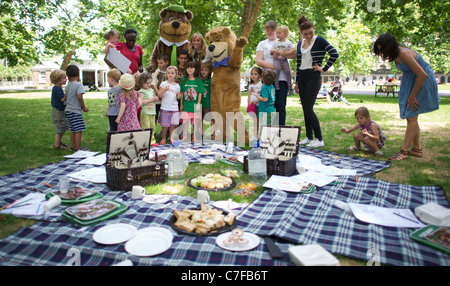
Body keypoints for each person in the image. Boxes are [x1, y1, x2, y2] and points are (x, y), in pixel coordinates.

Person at [373, 33, 440, 160]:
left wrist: (413, 96)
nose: (382, 53)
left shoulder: (404, 53)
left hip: (421, 82)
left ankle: (403, 151)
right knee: (411, 116)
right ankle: (416, 149)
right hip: (411, 81)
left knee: (411, 117)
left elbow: (422, 74)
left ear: (389, 46)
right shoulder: (397, 54)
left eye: (382, 49)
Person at [293, 16, 339, 148]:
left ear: (314, 30)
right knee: (304, 108)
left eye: (310, 33)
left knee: (308, 107)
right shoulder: (299, 44)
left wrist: (323, 68)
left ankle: (319, 138)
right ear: (301, 33)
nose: (308, 36)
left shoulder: (319, 40)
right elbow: (298, 63)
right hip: (302, 76)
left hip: (313, 76)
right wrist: (296, 82)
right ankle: (309, 137)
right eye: (305, 34)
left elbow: (334, 54)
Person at [255, 20, 287, 126]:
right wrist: (274, 67)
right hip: (268, 80)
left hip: (281, 78)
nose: (270, 32)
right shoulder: (262, 44)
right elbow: (259, 61)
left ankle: (280, 130)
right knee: (266, 104)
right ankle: (266, 131)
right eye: (267, 30)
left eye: (272, 29)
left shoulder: (283, 42)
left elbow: (290, 53)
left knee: (280, 105)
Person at [64, 64, 88, 151]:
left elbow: (65, 97)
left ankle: (73, 145)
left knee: (72, 129)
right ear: (78, 74)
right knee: (78, 129)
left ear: (67, 75)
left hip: (68, 110)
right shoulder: (79, 85)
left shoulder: (68, 86)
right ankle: (78, 147)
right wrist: (83, 107)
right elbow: (79, 97)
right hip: (75, 111)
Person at [180, 61, 205, 142]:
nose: (189, 69)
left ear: (195, 69)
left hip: (195, 105)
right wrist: (181, 104)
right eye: (188, 67)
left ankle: (194, 137)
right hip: (186, 105)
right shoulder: (184, 80)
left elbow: (200, 93)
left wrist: (198, 104)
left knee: (195, 122)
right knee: (185, 122)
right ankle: (185, 136)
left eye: (191, 68)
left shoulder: (198, 81)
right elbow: (181, 93)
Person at [157, 66, 181, 144]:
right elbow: (159, 95)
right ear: (166, 74)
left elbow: (178, 97)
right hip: (165, 107)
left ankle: (171, 138)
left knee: (173, 125)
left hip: (174, 108)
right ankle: (163, 138)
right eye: (169, 73)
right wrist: (164, 90)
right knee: (165, 125)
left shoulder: (177, 86)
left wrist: (178, 96)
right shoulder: (163, 84)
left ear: (176, 75)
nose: (170, 75)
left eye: (172, 73)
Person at [137, 72, 159, 146]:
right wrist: (152, 99)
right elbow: (141, 102)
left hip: (152, 112)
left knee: (152, 127)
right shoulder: (141, 91)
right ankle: (146, 141)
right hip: (145, 112)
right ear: (141, 83)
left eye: (150, 83)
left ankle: (152, 141)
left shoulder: (151, 90)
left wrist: (155, 100)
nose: (149, 85)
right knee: (146, 127)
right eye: (147, 83)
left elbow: (152, 99)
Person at [270, 25, 295, 91]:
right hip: (277, 59)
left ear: (285, 34)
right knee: (277, 69)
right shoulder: (276, 43)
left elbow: (293, 49)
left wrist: (287, 53)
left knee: (288, 71)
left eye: (279, 33)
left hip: (284, 59)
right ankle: (276, 82)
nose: (277, 34)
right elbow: (271, 50)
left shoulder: (288, 42)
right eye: (277, 33)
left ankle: (290, 84)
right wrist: (274, 51)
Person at [50, 69, 68, 149]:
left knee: (62, 127)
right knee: (60, 128)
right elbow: (63, 99)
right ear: (58, 79)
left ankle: (59, 142)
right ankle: (57, 145)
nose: (66, 79)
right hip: (58, 111)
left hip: (58, 110)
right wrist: (69, 93)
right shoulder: (57, 89)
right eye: (64, 78)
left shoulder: (57, 88)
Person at [150, 54, 170, 125]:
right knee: (155, 114)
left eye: (161, 63)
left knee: (164, 115)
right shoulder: (157, 72)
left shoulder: (169, 72)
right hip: (156, 97)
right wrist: (158, 92)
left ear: (166, 62)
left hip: (166, 98)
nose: (159, 65)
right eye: (158, 63)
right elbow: (153, 83)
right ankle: (153, 130)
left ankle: (164, 130)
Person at [247, 67, 263, 141]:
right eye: (252, 74)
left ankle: (262, 136)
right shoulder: (251, 85)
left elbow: (262, 95)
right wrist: (248, 104)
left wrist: (257, 100)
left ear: (260, 76)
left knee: (260, 120)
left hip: (259, 105)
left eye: (255, 74)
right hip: (253, 106)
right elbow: (249, 95)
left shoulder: (261, 84)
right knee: (255, 121)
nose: (253, 76)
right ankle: (254, 136)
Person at [200, 62, 213, 136]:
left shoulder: (210, 81)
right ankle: (201, 132)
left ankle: (213, 132)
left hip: (208, 103)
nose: (203, 72)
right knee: (200, 118)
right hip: (199, 103)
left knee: (211, 118)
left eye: (206, 70)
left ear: (209, 71)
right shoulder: (198, 80)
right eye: (202, 70)